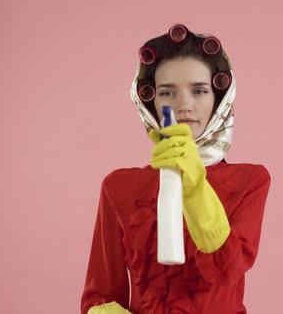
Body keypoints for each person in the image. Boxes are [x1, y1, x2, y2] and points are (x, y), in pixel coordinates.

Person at [80, 23, 271, 314]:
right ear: (149, 101)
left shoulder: (250, 180)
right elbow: (98, 297)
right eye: (167, 93)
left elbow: (228, 267)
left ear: (219, 100)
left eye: (199, 90)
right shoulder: (118, 186)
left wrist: (194, 183)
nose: (184, 105)